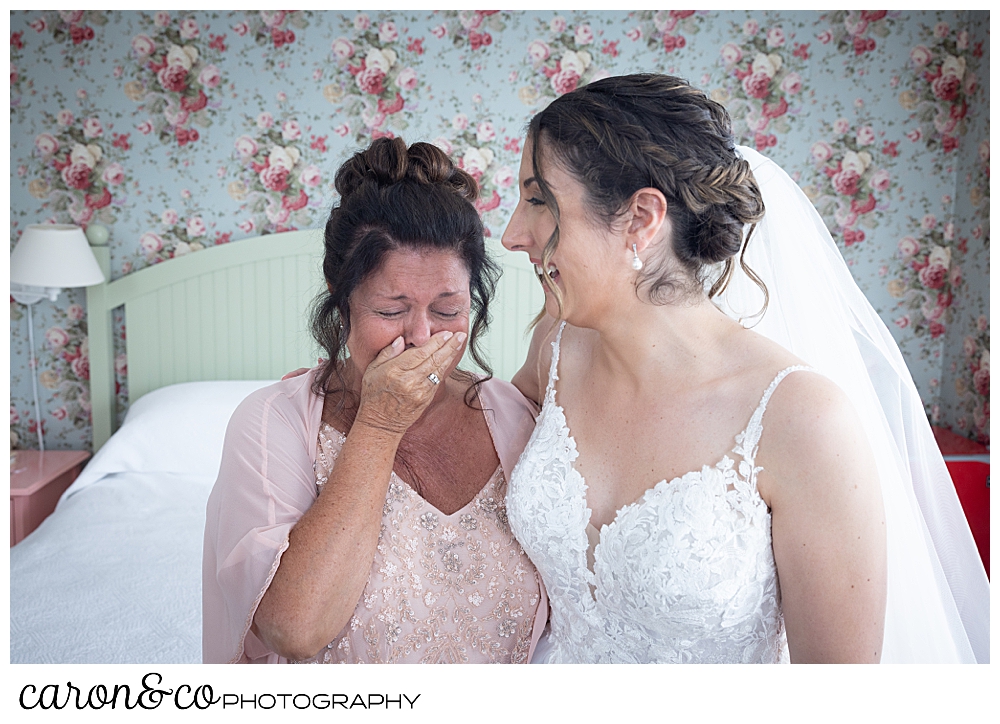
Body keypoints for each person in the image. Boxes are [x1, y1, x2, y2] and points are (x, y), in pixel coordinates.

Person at [501, 74, 989, 663]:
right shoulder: (556, 348)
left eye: (537, 200)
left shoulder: (803, 420)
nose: (511, 235)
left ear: (641, 219)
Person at [202, 138, 546, 664]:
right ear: (341, 296)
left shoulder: (513, 417)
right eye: (391, 311)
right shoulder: (271, 423)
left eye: (448, 308)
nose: (422, 336)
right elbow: (293, 629)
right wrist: (380, 423)